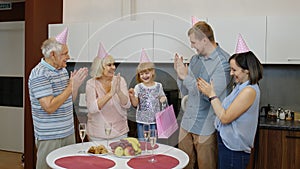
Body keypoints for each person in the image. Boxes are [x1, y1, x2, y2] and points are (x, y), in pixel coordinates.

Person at [197, 34, 263, 169]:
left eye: (234, 70)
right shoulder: (240, 87)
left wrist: (211, 94)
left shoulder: (249, 91)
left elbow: (225, 117)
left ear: (247, 71)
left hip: (235, 149)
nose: (231, 73)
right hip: (228, 144)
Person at [28, 27, 88, 169]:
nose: (68, 56)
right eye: (65, 54)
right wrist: (70, 87)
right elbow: (49, 107)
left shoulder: (62, 71)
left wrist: (74, 87)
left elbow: (67, 101)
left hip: (68, 132)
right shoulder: (39, 74)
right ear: (53, 55)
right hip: (50, 137)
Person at [174, 21, 231, 169]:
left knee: (207, 166)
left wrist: (186, 77)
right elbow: (187, 91)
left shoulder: (223, 63)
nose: (192, 46)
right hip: (186, 124)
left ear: (204, 40)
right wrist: (180, 76)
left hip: (207, 126)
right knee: (183, 165)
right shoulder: (194, 60)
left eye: (193, 42)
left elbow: (209, 96)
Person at [85, 43, 131, 141]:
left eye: (113, 64)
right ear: (100, 67)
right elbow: (92, 109)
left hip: (120, 132)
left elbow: (127, 105)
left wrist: (118, 91)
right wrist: (110, 93)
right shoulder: (91, 83)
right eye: (109, 65)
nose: (113, 67)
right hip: (97, 134)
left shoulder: (120, 80)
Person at [128, 49, 167, 140]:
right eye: (141, 74)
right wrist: (132, 96)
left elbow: (162, 96)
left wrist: (163, 98)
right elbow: (135, 104)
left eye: (146, 73)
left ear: (152, 72)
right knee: (142, 142)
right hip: (141, 120)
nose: (144, 76)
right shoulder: (138, 87)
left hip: (154, 120)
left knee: (153, 142)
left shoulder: (158, 86)